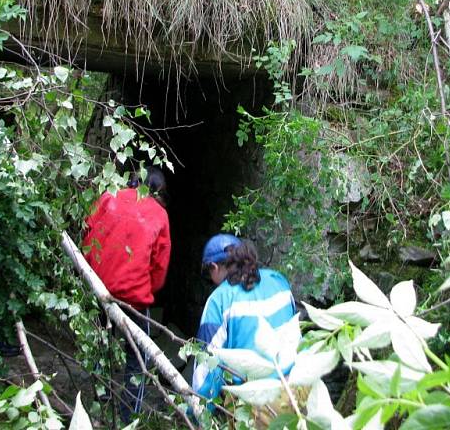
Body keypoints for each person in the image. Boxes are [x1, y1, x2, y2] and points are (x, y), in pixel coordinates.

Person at [82, 167, 171, 423]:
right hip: (134, 299)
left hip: (98, 288)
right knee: (137, 361)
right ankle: (127, 419)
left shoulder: (109, 197)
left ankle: (94, 408)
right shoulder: (160, 215)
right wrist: (145, 289)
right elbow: (159, 265)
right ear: (160, 190)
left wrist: (92, 271)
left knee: (98, 350)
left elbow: (86, 232)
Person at [193, 234, 297, 401]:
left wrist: (196, 412)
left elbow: (207, 367)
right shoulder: (278, 281)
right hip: (296, 387)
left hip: (255, 400)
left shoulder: (219, 300)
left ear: (214, 267)